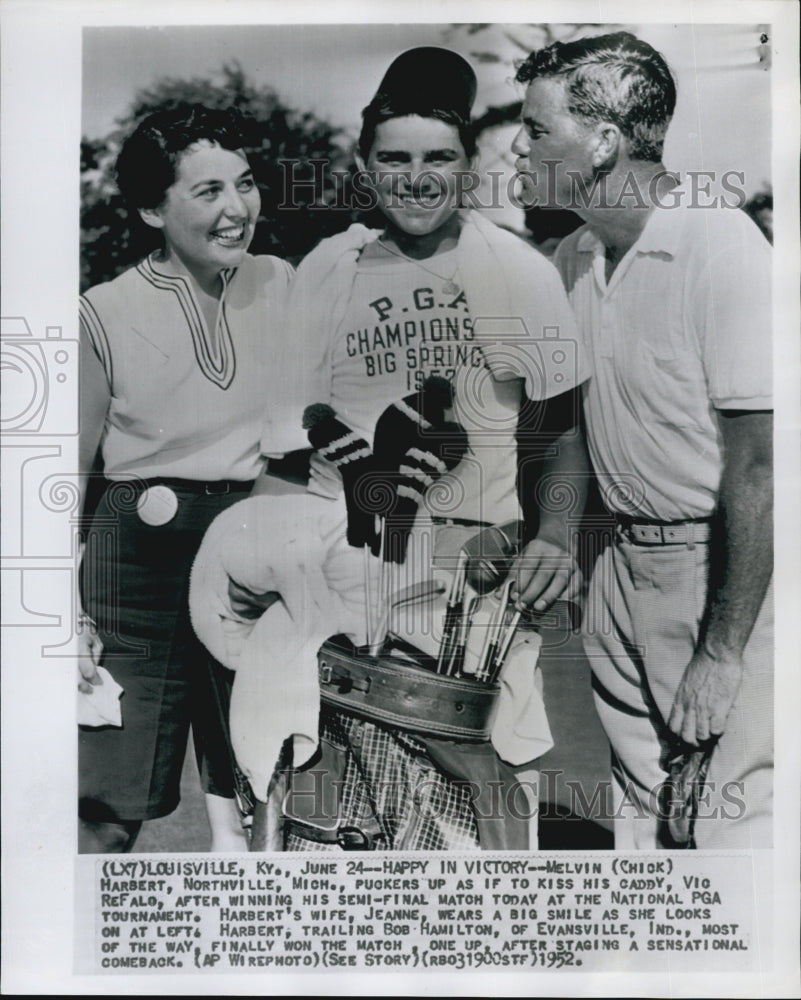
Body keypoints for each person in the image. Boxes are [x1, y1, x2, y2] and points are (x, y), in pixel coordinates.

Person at [190, 47, 591, 851]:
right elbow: (286, 453)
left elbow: (559, 437)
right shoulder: (326, 272)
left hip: (468, 585)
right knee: (325, 824)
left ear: (470, 164)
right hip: (333, 582)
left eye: (439, 157)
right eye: (395, 159)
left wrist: (550, 536)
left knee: (465, 831)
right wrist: (267, 577)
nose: (417, 177)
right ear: (364, 168)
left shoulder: (518, 273)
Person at [512, 31, 773, 849]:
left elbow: (762, 466)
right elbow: (571, 426)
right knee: (643, 829)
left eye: (535, 130)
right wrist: (557, 530)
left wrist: (722, 649)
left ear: (602, 141)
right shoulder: (570, 257)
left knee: (735, 825)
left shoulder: (720, 243)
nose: (518, 149)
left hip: (725, 574)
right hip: (618, 573)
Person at [77, 104, 293, 853]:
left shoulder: (285, 283)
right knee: (108, 804)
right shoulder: (100, 312)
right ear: (149, 208)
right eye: (207, 192)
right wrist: (58, 619)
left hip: (257, 553)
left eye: (245, 183)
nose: (237, 209)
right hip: (134, 571)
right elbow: (63, 476)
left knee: (268, 792)